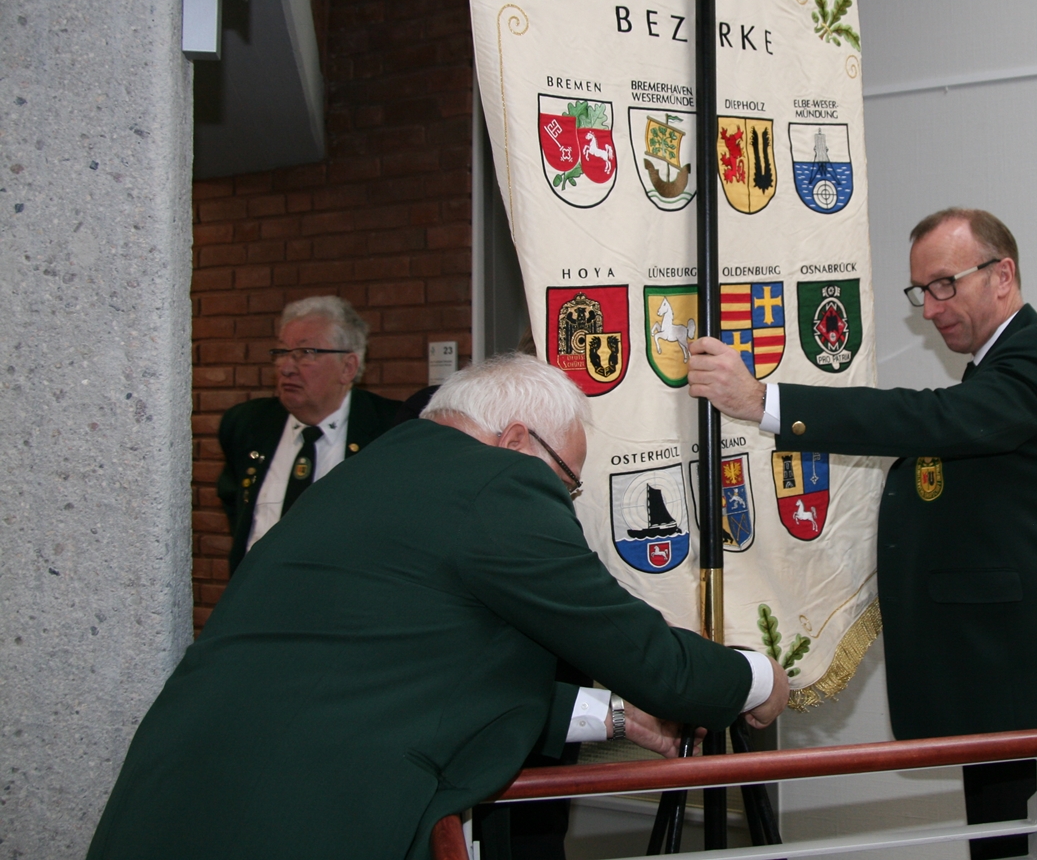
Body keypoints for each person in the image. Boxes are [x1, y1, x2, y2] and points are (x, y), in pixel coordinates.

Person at [89, 354, 788, 860]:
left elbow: (412, 665)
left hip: (172, 793)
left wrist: (613, 715)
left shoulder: (366, 474)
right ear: (516, 441)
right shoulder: (496, 484)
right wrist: (756, 678)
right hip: (304, 816)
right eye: (567, 482)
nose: (564, 501)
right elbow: (651, 659)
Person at [688, 207, 1037, 860]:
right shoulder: (998, 366)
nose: (931, 308)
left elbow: (934, 419)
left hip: (1032, 682)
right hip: (1001, 681)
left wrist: (766, 402)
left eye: (945, 284)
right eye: (922, 291)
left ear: (1003, 275)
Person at [216, 295, 403, 574]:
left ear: (348, 367)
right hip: (258, 593)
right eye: (281, 352)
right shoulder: (247, 424)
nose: (286, 367)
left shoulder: (392, 431)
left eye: (306, 353)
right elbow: (237, 507)